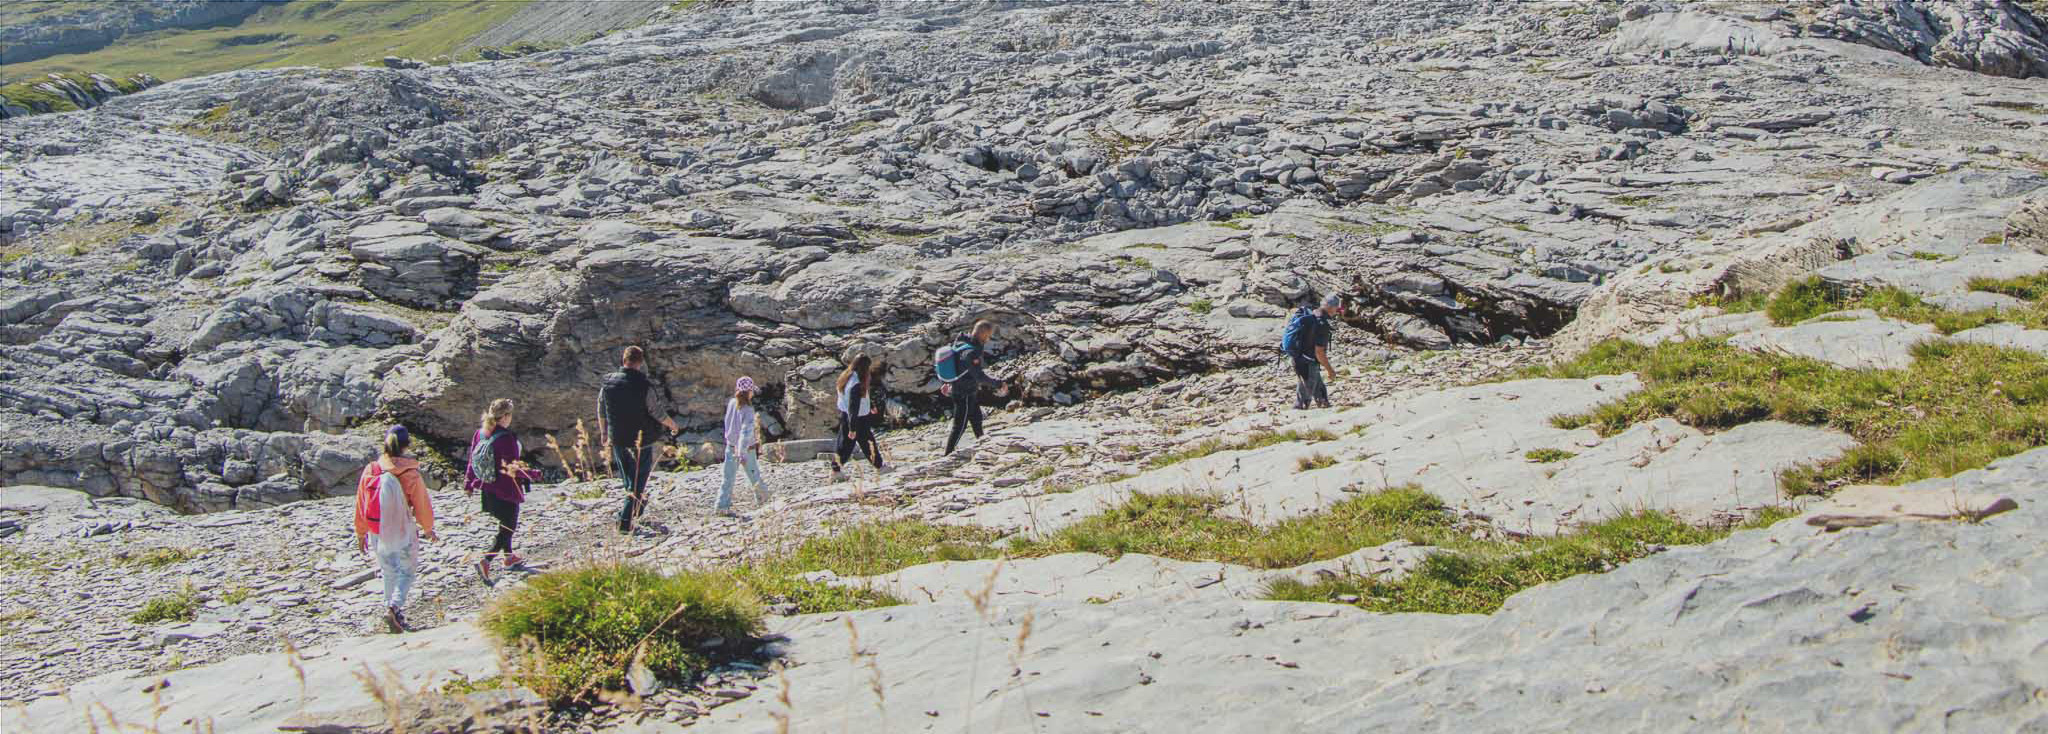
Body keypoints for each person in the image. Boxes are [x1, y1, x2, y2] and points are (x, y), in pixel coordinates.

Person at [352, 426, 435, 634]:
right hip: (402, 529)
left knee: (388, 571)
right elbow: (421, 504)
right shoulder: (411, 473)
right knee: (406, 571)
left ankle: (392, 612)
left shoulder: (372, 469)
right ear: (407, 446)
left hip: (376, 529)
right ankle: (394, 607)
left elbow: (362, 501)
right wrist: (428, 528)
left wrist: (360, 532)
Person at [597, 346, 679, 534]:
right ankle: (625, 522)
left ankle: (637, 506)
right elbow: (655, 411)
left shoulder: (607, 383)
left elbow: (601, 409)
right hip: (642, 441)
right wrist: (672, 424)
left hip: (617, 438)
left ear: (623, 359)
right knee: (638, 481)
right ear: (640, 363)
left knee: (628, 478)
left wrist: (603, 433)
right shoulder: (644, 385)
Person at [465, 398, 542, 585]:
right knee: (508, 527)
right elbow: (512, 468)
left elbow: (471, 460)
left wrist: (468, 482)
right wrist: (534, 474)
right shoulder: (507, 437)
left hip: (487, 487)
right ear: (506, 416)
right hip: (506, 489)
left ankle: (509, 557)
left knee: (504, 524)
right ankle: (485, 560)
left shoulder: (480, 433)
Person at [943, 320, 1009, 456]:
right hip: (964, 392)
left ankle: (983, 444)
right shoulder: (971, 352)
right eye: (988, 335)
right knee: (959, 426)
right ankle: (947, 454)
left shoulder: (961, 343)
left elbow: (958, 366)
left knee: (976, 418)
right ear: (983, 333)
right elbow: (978, 376)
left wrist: (947, 382)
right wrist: (998, 383)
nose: (988, 338)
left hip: (964, 389)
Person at [716, 377, 771, 517]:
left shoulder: (731, 403)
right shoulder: (748, 410)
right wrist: (741, 452)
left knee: (727, 478)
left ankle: (722, 506)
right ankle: (765, 501)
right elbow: (745, 432)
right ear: (749, 392)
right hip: (746, 449)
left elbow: (727, 424)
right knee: (754, 475)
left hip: (730, 446)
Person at [1286, 294, 1344, 410]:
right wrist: (1330, 370)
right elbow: (1319, 352)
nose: (1337, 311)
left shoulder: (1311, 314)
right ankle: (1298, 415)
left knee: (1318, 386)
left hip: (1299, 358)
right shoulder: (1321, 324)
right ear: (1330, 307)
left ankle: (1324, 404)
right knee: (1304, 397)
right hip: (1308, 361)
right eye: (1337, 308)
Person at [833, 356, 885, 478]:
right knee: (867, 442)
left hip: (847, 415)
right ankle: (880, 467)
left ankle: (836, 470)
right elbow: (853, 407)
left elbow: (861, 397)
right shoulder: (856, 383)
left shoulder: (847, 376)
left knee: (844, 444)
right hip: (857, 418)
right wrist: (852, 428)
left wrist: (871, 405)